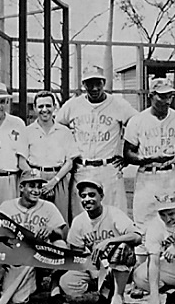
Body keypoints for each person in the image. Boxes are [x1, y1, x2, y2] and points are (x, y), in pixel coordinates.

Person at [56, 65, 137, 216]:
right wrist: (67, 156)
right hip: (82, 168)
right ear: (83, 85)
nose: (94, 88)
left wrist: (127, 155)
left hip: (109, 168)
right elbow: (58, 128)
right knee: (81, 216)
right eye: (89, 83)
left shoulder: (119, 104)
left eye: (98, 83)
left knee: (114, 215)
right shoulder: (73, 105)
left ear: (104, 83)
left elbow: (137, 125)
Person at [59, 180, 143, 304]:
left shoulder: (113, 213)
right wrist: (91, 270)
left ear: (101, 196)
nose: (87, 199)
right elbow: (76, 253)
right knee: (67, 282)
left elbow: (137, 237)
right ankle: (105, 289)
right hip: (95, 265)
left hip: (118, 264)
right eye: (83, 196)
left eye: (92, 195)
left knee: (122, 248)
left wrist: (109, 241)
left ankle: (118, 298)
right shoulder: (79, 221)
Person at [123, 78, 175, 241]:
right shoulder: (137, 121)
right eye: (162, 96)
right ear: (151, 95)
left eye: (170, 96)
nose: (167, 101)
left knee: (173, 223)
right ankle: (146, 261)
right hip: (148, 176)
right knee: (144, 223)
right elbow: (127, 154)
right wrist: (148, 158)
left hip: (172, 175)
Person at [0, 169, 68, 304]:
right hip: (18, 257)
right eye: (32, 186)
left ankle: (54, 288)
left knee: (61, 246)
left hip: (42, 253)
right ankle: (34, 280)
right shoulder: (7, 206)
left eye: (39, 186)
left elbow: (61, 234)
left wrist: (51, 230)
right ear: (21, 187)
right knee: (17, 300)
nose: (36, 190)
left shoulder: (48, 207)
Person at [25, 91, 79, 223]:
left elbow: (70, 162)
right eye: (41, 106)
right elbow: (22, 160)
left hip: (58, 179)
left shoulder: (64, 131)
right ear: (34, 108)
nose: (45, 110)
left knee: (59, 220)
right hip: (35, 179)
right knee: (34, 219)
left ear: (54, 107)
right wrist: (36, 179)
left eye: (48, 106)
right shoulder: (27, 131)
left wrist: (54, 181)